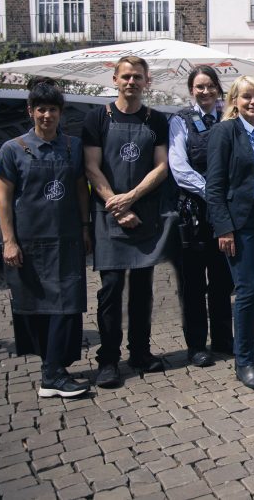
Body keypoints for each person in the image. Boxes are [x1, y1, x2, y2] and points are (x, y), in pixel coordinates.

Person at [0, 79, 91, 398]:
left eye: (52, 109)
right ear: (30, 111)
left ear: (60, 113)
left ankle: (54, 372)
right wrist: (9, 241)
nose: (46, 115)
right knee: (37, 306)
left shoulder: (72, 146)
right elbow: (5, 201)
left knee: (67, 305)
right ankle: (52, 370)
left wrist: (85, 226)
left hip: (66, 240)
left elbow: (80, 188)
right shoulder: (13, 149)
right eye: (41, 109)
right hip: (31, 243)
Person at [83, 56, 172, 388]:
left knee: (142, 290)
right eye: (126, 77)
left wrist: (131, 197)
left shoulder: (157, 120)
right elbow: (91, 167)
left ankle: (140, 353)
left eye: (137, 77)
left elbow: (162, 166)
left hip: (143, 214)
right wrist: (115, 205)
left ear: (147, 81)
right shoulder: (97, 119)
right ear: (115, 79)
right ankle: (108, 360)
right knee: (110, 291)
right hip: (109, 217)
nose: (131, 82)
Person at [205, 76, 254, 389]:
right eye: (247, 97)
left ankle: (250, 355)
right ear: (235, 101)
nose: (253, 102)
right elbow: (214, 187)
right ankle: (242, 362)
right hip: (238, 222)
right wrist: (223, 228)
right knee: (247, 288)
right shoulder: (224, 132)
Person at [168, 65, 234, 368]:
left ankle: (223, 338)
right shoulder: (180, 121)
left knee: (222, 279)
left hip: (223, 215)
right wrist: (213, 191)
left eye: (209, 86)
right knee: (193, 283)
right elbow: (179, 168)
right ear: (191, 90)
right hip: (193, 213)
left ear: (218, 89)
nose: (205, 92)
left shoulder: (229, 117)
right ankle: (196, 345)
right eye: (199, 87)